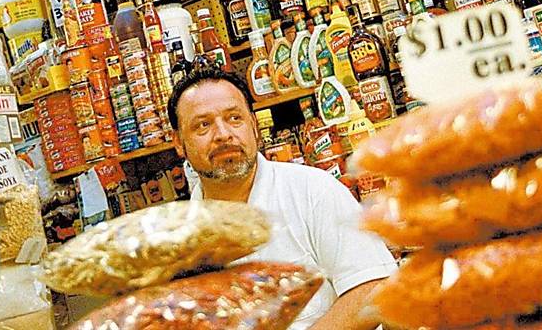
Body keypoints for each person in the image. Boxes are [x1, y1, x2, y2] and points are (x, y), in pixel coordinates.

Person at [167, 66, 398, 330]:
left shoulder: (312, 190)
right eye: (203, 125)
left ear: (254, 126)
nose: (223, 134)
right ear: (179, 142)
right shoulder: (179, 241)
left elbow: (372, 288)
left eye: (234, 118)